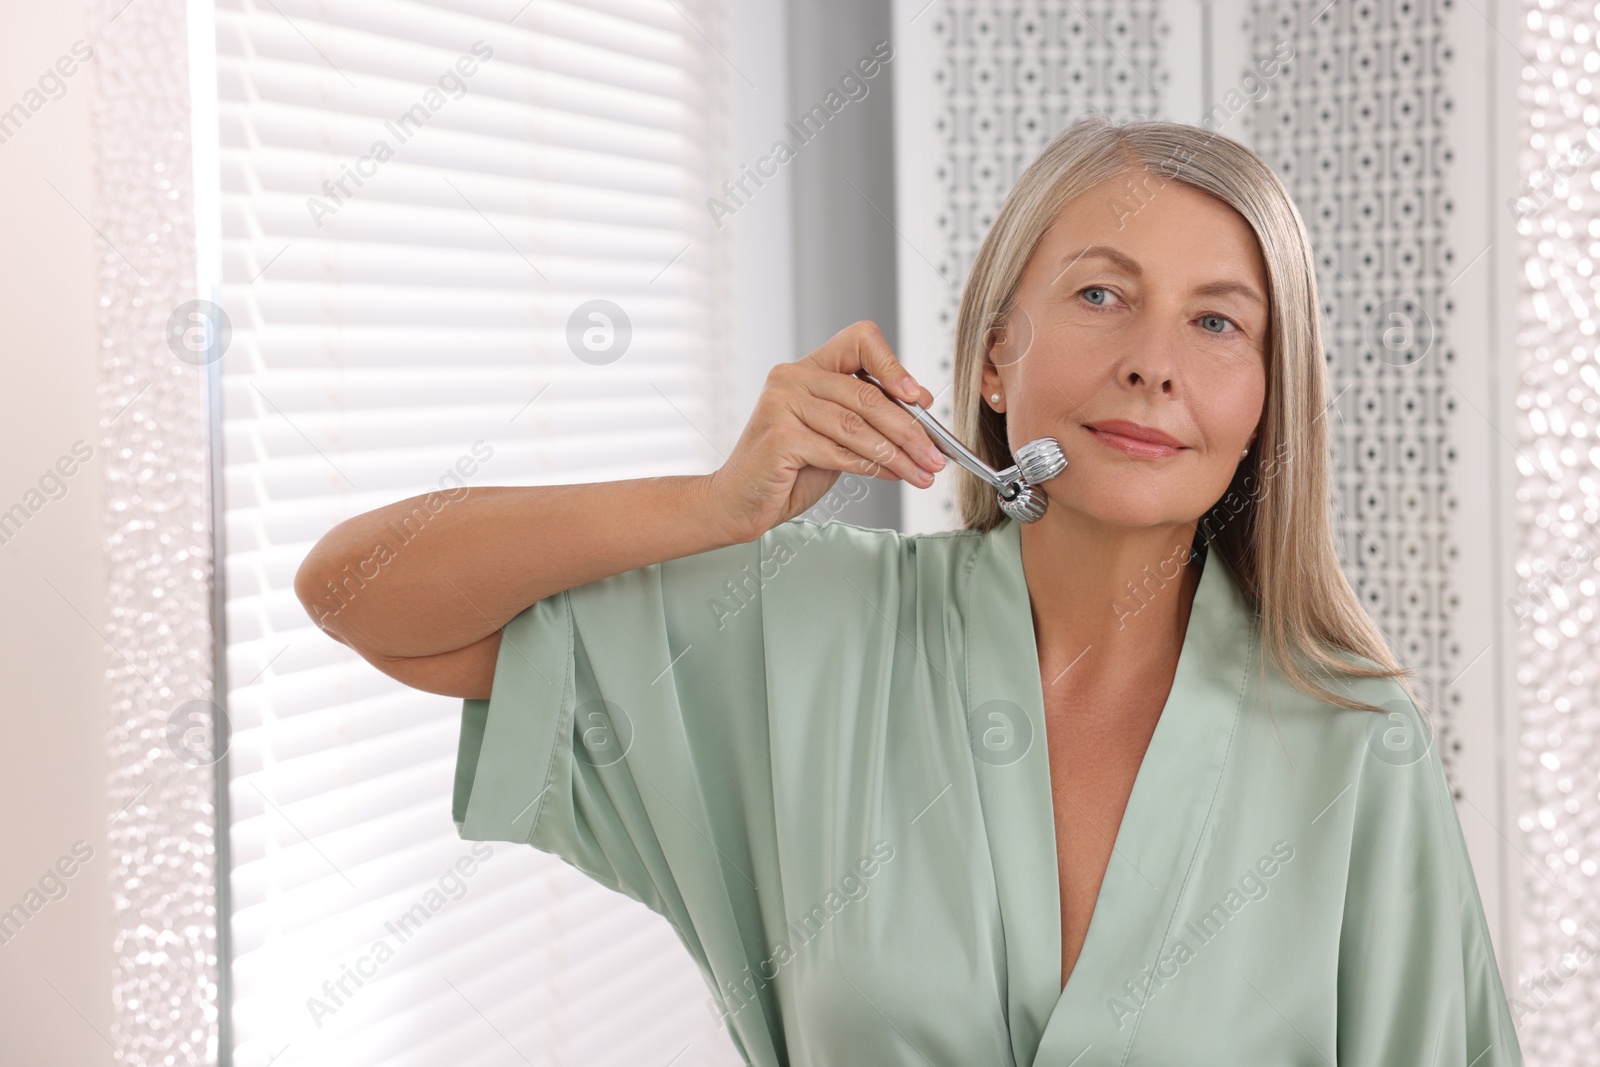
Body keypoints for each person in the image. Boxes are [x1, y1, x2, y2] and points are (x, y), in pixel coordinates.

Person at [295, 114, 1524, 1066]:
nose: (1153, 361)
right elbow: (360, 588)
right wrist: (715, 506)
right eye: (1101, 295)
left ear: (1266, 400)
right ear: (997, 351)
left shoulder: (1355, 739)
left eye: (1218, 324)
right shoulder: (803, 631)